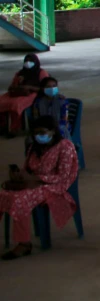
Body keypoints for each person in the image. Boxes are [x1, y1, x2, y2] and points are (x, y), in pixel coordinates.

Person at [0, 116, 79, 260]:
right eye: (36, 133)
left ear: (53, 131)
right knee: (3, 195)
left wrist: (38, 179)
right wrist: (19, 175)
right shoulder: (34, 147)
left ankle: (24, 244)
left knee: (19, 200)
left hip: (53, 186)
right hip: (32, 183)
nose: (38, 136)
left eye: (42, 132)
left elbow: (63, 176)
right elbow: (28, 168)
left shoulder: (65, 146)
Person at [0, 54, 46, 136]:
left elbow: (45, 88)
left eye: (31, 61)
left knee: (15, 105)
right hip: (17, 92)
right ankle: (2, 126)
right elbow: (11, 86)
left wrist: (29, 87)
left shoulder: (41, 73)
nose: (28, 63)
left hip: (32, 93)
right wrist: (18, 82)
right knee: (1, 101)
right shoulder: (20, 73)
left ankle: (15, 128)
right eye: (26, 61)